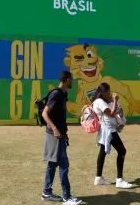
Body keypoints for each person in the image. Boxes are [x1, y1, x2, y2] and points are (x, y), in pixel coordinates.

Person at [41, 71, 81, 205]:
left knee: (52, 163)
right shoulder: (56, 94)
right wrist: (54, 128)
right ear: (66, 80)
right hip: (54, 135)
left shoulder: (64, 95)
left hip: (60, 134)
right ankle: (67, 197)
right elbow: (44, 114)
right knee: (63, 164)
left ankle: (46, 192)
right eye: (71, 80)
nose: (73, 82)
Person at [92, 82, 133, 189]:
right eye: (108, 92)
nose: (109, 94)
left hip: (107, 129)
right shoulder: (99, 101)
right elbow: (110, 113)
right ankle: (119, 180)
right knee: (122, 151)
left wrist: (116, 107)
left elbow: (112, 113)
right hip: (108, 130)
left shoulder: (101, 101)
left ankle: (98, 178)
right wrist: (115, 100)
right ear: (103, 92)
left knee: (102, 152)